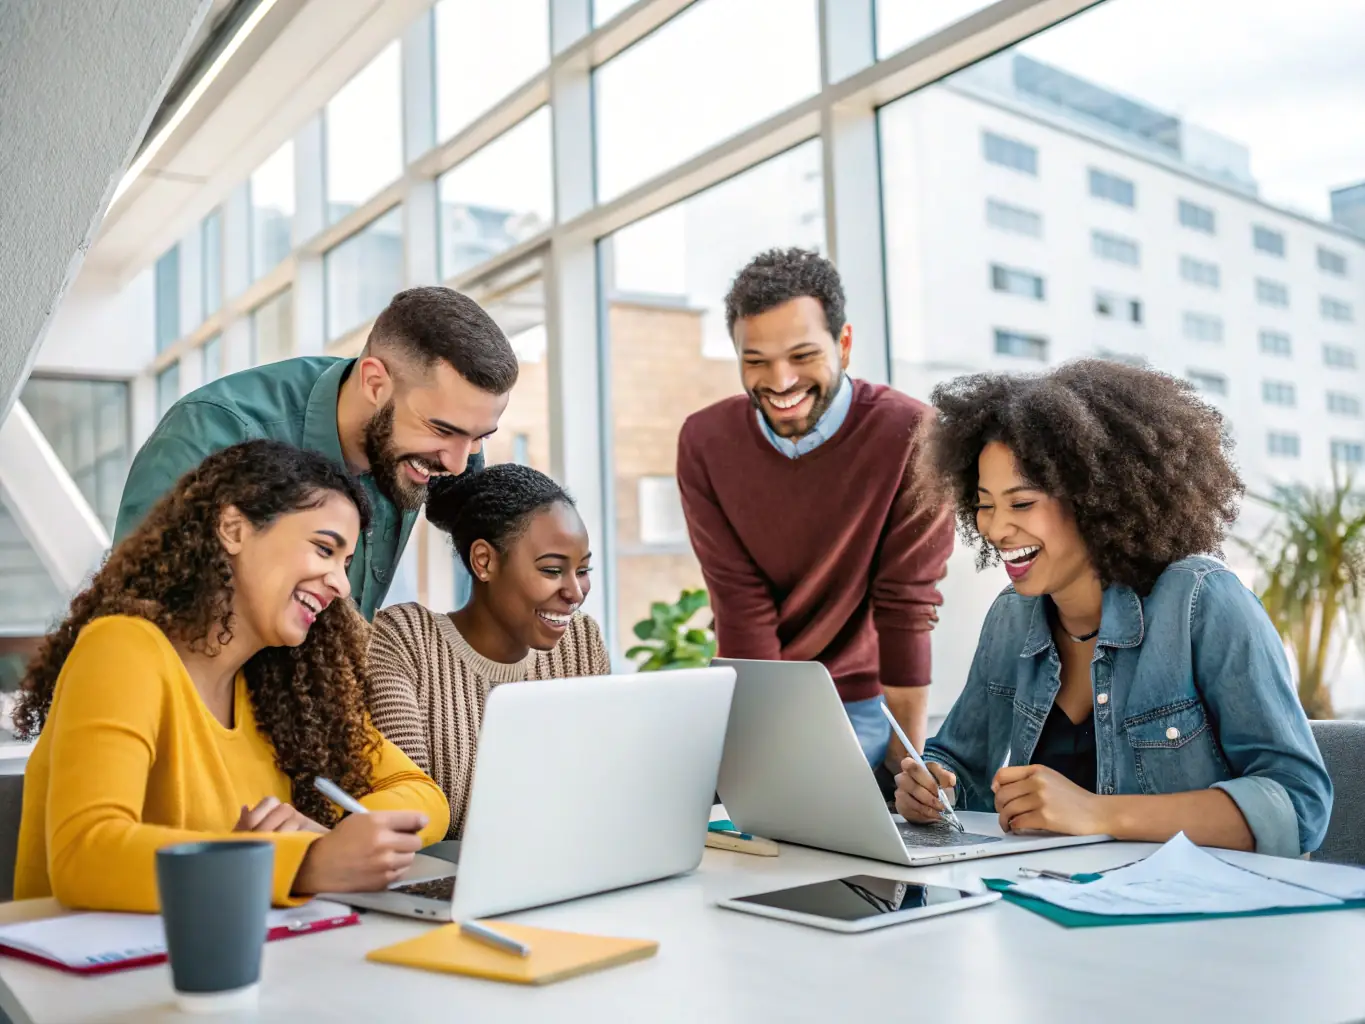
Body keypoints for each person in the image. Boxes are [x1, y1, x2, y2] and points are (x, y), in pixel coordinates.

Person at [895, 360, 1332, 857]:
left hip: (1203, 915)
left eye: (1020, 504)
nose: (995, 529)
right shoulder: (1011, 618)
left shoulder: (1202, 604)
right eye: (984, 504)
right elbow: (960, 768)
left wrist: (1097, 813)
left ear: (1094, 499)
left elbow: (1298, 806)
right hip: (1053, 904)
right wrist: (933, 790)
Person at [13, 440, 451, 912]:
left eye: (346, 565)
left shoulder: (280, 695)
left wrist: (341, 837)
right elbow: (86, 855)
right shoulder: (122, 649)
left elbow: (426, 798)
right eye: (324, 549)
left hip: (225, 955)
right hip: (88, 974)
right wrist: (304, 862)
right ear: (233, 528)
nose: (341, 585)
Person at [676, 248, 953, 774]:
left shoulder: (914, 436)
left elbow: (906, 605)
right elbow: (739, 602)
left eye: (802, 356)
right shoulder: (705, 441)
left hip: (865, 701)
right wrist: (764, 749)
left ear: (843, 345)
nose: (779, 382)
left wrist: (907, 765)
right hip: (760, 687)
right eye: (755, 361)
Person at [114, 286, 519, 619]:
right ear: (375, 384)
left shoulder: (444, 450)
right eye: (441, 430)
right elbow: (140, 619)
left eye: (479, 437)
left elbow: (496, 534)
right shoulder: (212, 434)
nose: (458, 463)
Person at [368, 463, 611, 838]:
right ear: (484, 561)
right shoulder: (406, 640)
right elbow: (410, 814)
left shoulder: (581, 642)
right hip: (446, 876)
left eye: (582, 570)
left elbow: (600, 791)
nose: (575, 592)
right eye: (551, 570)